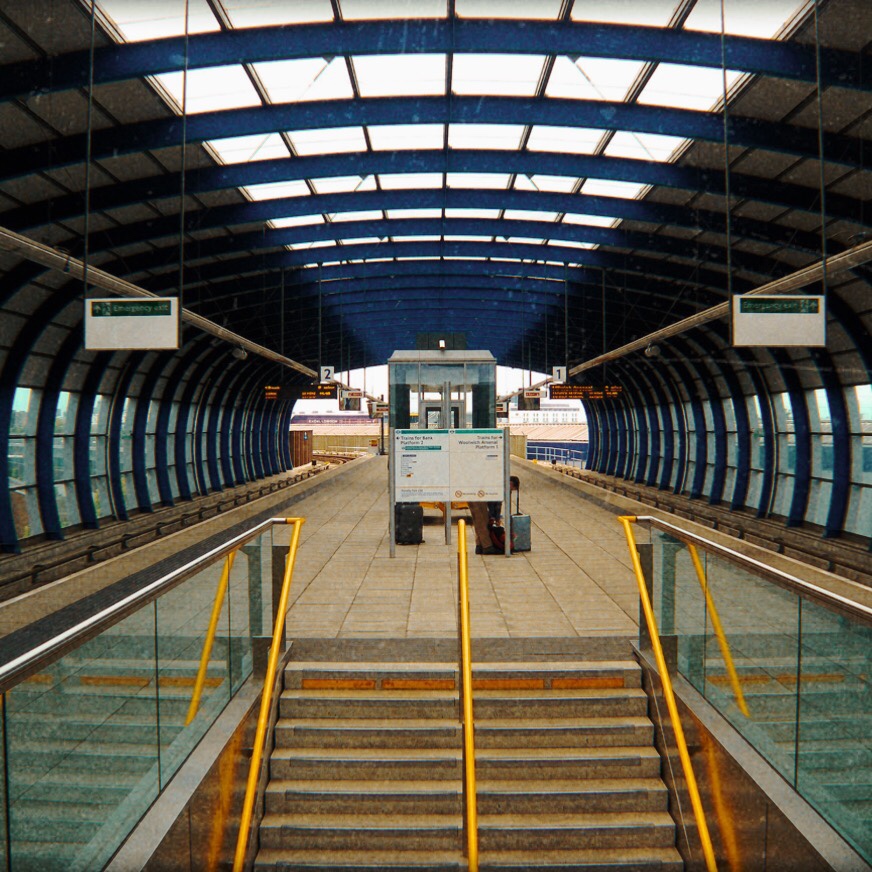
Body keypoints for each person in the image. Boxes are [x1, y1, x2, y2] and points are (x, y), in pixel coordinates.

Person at [469, 476, 519, 554]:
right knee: (483, 522)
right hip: (478, 496)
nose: (510, 491)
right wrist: (495, 517)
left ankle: (479, 546)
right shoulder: (501, 487)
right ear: (510, 484)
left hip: (473, 493)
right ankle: (487, 547)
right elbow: (496, 503)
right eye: (512, 489)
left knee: (478, 522)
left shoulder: (498, 482)